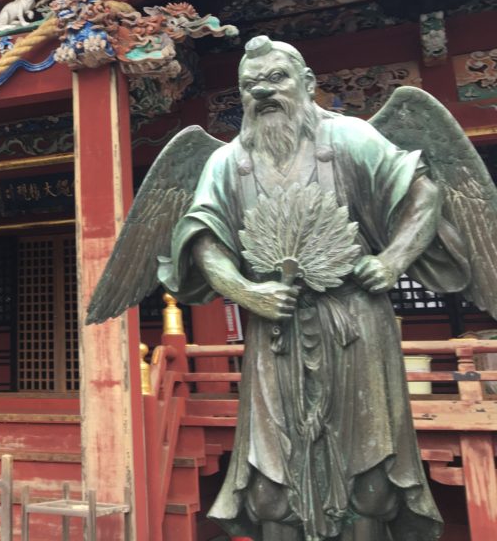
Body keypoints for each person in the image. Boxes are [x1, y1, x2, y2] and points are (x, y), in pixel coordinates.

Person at [165, 36, 466, 541]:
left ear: (308, 83)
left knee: (369, 482)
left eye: (277, 78)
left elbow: (425, 193)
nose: (264, 91)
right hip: (273, 328)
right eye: (250, 85)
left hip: (354, 322)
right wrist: (245, 290)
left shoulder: (351, 138)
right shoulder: (226, 163)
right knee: (270, 490)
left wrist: (393, 260)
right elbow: (202, 242)